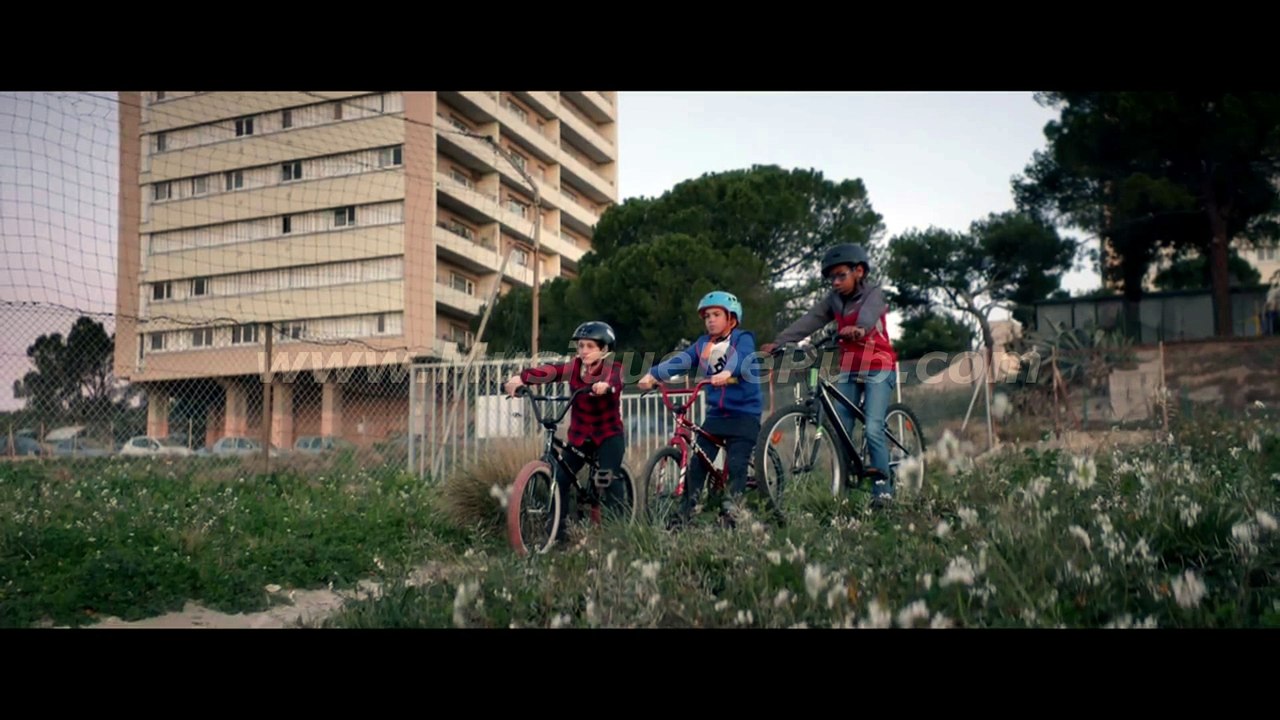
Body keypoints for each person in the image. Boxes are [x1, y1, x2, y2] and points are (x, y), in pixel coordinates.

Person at [760, 243, 899, 508]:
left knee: (872, 428)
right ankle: (844, 487)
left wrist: (859, 329)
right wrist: (779, 342)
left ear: (859, 271)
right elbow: (810, 320)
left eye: (841, 275)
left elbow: (869, 316)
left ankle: (883, 490)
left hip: (879, 366)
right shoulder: (833, 301)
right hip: (849, 367)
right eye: (831, 278)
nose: (835, 282)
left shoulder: (874, 294)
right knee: (840, 428)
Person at [638, 291, 763, 528]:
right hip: (717, 414)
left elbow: (743, 357)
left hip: (745, 413)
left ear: (731, 318)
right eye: (707, 316)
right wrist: (652, 375)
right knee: (698, 465)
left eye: (716, 314)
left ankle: (733, 511)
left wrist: (728, 372)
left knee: (737, 463)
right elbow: (680, 361)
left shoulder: (742, 338)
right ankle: (685, 512)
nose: (710, 320)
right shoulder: (703, 345)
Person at [504, 321, 626, 543]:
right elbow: (550, 371)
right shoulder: (574, 368)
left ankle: (621, 532)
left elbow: (616, 381)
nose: (584, 351)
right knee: (559, 478)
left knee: (607, 477)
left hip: (608, 435)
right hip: (581, 436)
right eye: (581, 346)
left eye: (590, 346)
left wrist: (605, 387)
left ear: (604, 350)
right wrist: (521, 378)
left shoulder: (613, 369)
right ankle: (557, 536)